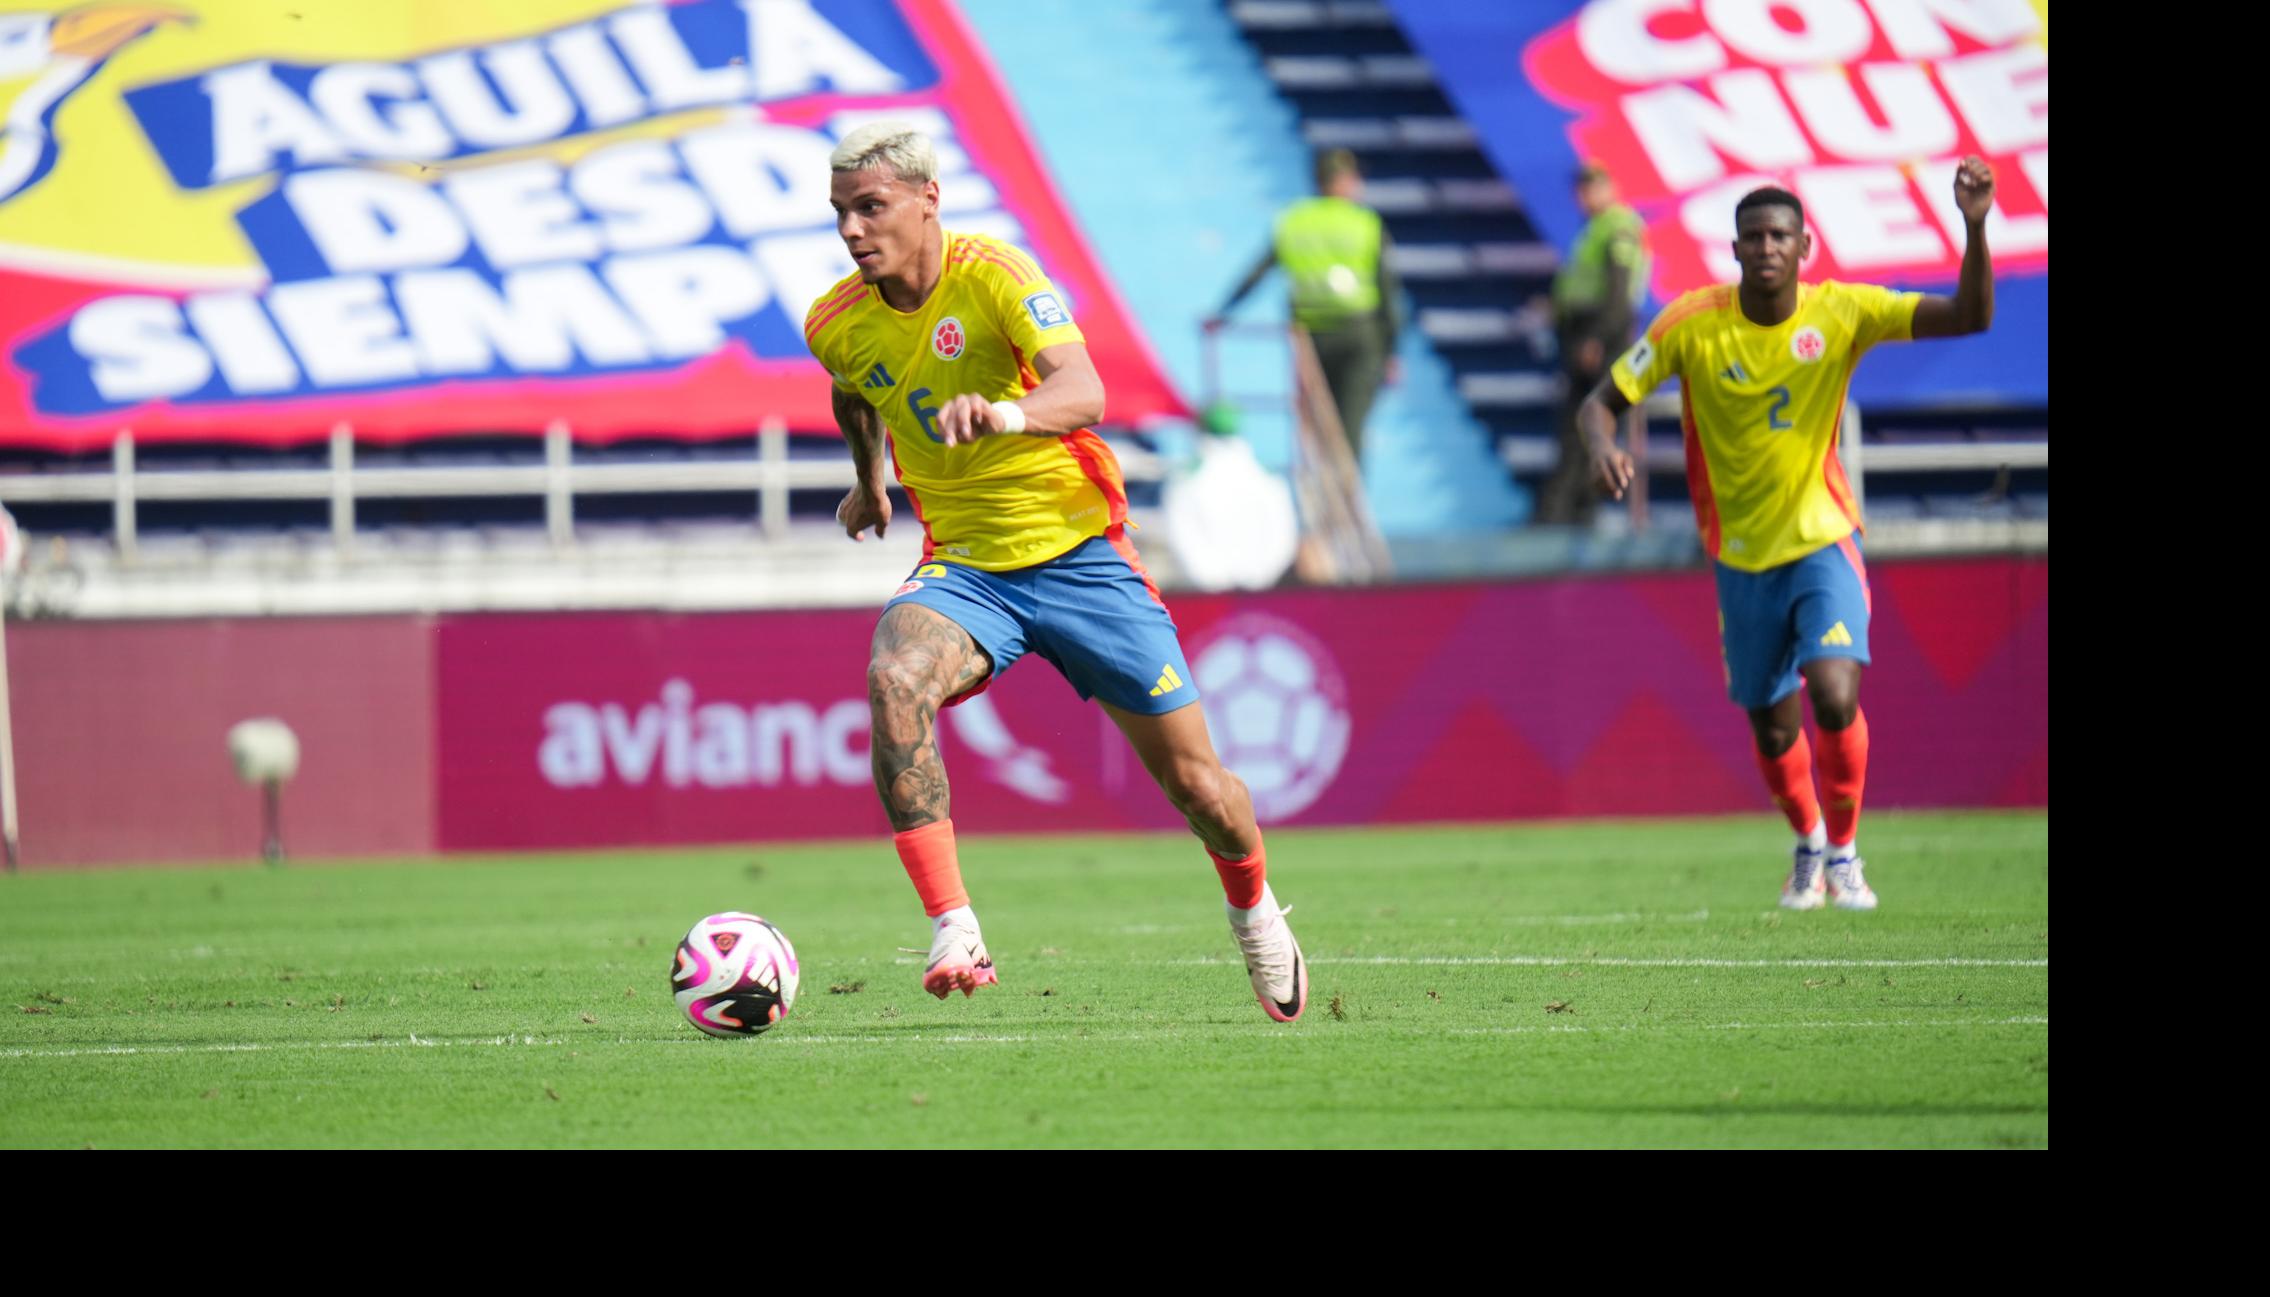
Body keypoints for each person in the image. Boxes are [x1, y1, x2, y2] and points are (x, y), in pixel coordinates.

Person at [804, 123, 1307, 1021]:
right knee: (893, 677)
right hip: (965, 571)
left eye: (869, 207)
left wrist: (1005, 414)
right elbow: (854, 386)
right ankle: (954, 924)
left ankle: (1255, 909)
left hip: (1082, 560)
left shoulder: (997, 274)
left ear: (928, 201)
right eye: (840, 211)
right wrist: (868, 482)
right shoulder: (836, 322)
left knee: (1201, 790)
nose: (851, 229)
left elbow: (1086, 391)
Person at [1579, 157, 1998, 911]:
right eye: (1753, 236)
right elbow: (1600, 401)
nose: (1767, 246)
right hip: (1740, 558)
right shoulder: (1689, 325)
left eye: (1780, 235)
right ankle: (1807, 840)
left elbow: (1969, 318)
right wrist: (1602, 444)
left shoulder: (1841, 312)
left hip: (1822, 538)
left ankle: (1845, 852)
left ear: (1805, 249)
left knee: (1836, 692)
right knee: (1774, 732)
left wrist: (1973, 225)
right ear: (1734, 250)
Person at [1210, 148, 1402, 459]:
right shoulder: (1365, 222)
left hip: (1310, 337)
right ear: (1344, 180)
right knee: (1349, 427)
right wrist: (1392, 350)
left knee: (1316, 424)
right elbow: (1388, 292)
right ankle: (1348, 498)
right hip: (1359, 336)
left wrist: (1224, 312)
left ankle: (1323, 486)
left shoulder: (1295, 220)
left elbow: (1259, 271)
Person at [1538, 162, 1648, 525]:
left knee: (1589, 424)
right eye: (1582, 189)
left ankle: (1576, 510)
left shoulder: (1618, 227)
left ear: (1610, 187)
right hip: (1586, 334)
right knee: (1578, 425)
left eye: (1593, 188)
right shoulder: (1595, 229)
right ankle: (1573, 509)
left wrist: (1596, 339)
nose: (1585, 197)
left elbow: (1618, 294)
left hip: (1603, 337)